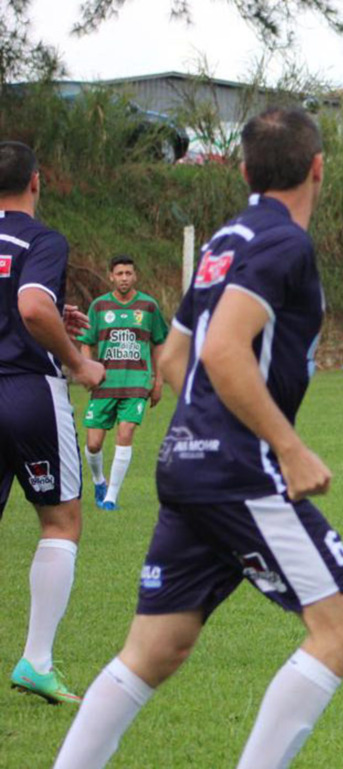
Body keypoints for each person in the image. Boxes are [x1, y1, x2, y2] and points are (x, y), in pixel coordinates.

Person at [53, 108, 343, 768]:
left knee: (154, 651)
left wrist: (198, 440)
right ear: (318, 169)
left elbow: (175, 357)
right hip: (239, 471)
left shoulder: (225, 239)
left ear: (246, 170)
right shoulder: (284, 244)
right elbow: (223, 349)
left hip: (188, 465)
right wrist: (287, 445)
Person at [0, 141, 105, 704]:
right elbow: (33, 308)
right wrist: (77, 358)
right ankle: (36, 662)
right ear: (35, 182)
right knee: (61, 522)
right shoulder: (40, 239)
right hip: (25, 390)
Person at [78, 255, 168, 510]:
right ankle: (99, 481)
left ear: (135, 276)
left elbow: (160, 341)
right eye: (120, 274)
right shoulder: (99, 307)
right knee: (93, 443)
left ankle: (111, 498)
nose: (124, 278)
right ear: (111, 276)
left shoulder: (148, 307)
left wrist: (158, 380)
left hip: (136, 383)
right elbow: (86, 341)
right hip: (105, 384)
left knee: (126, 431)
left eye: (129, 273)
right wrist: (88, 370)